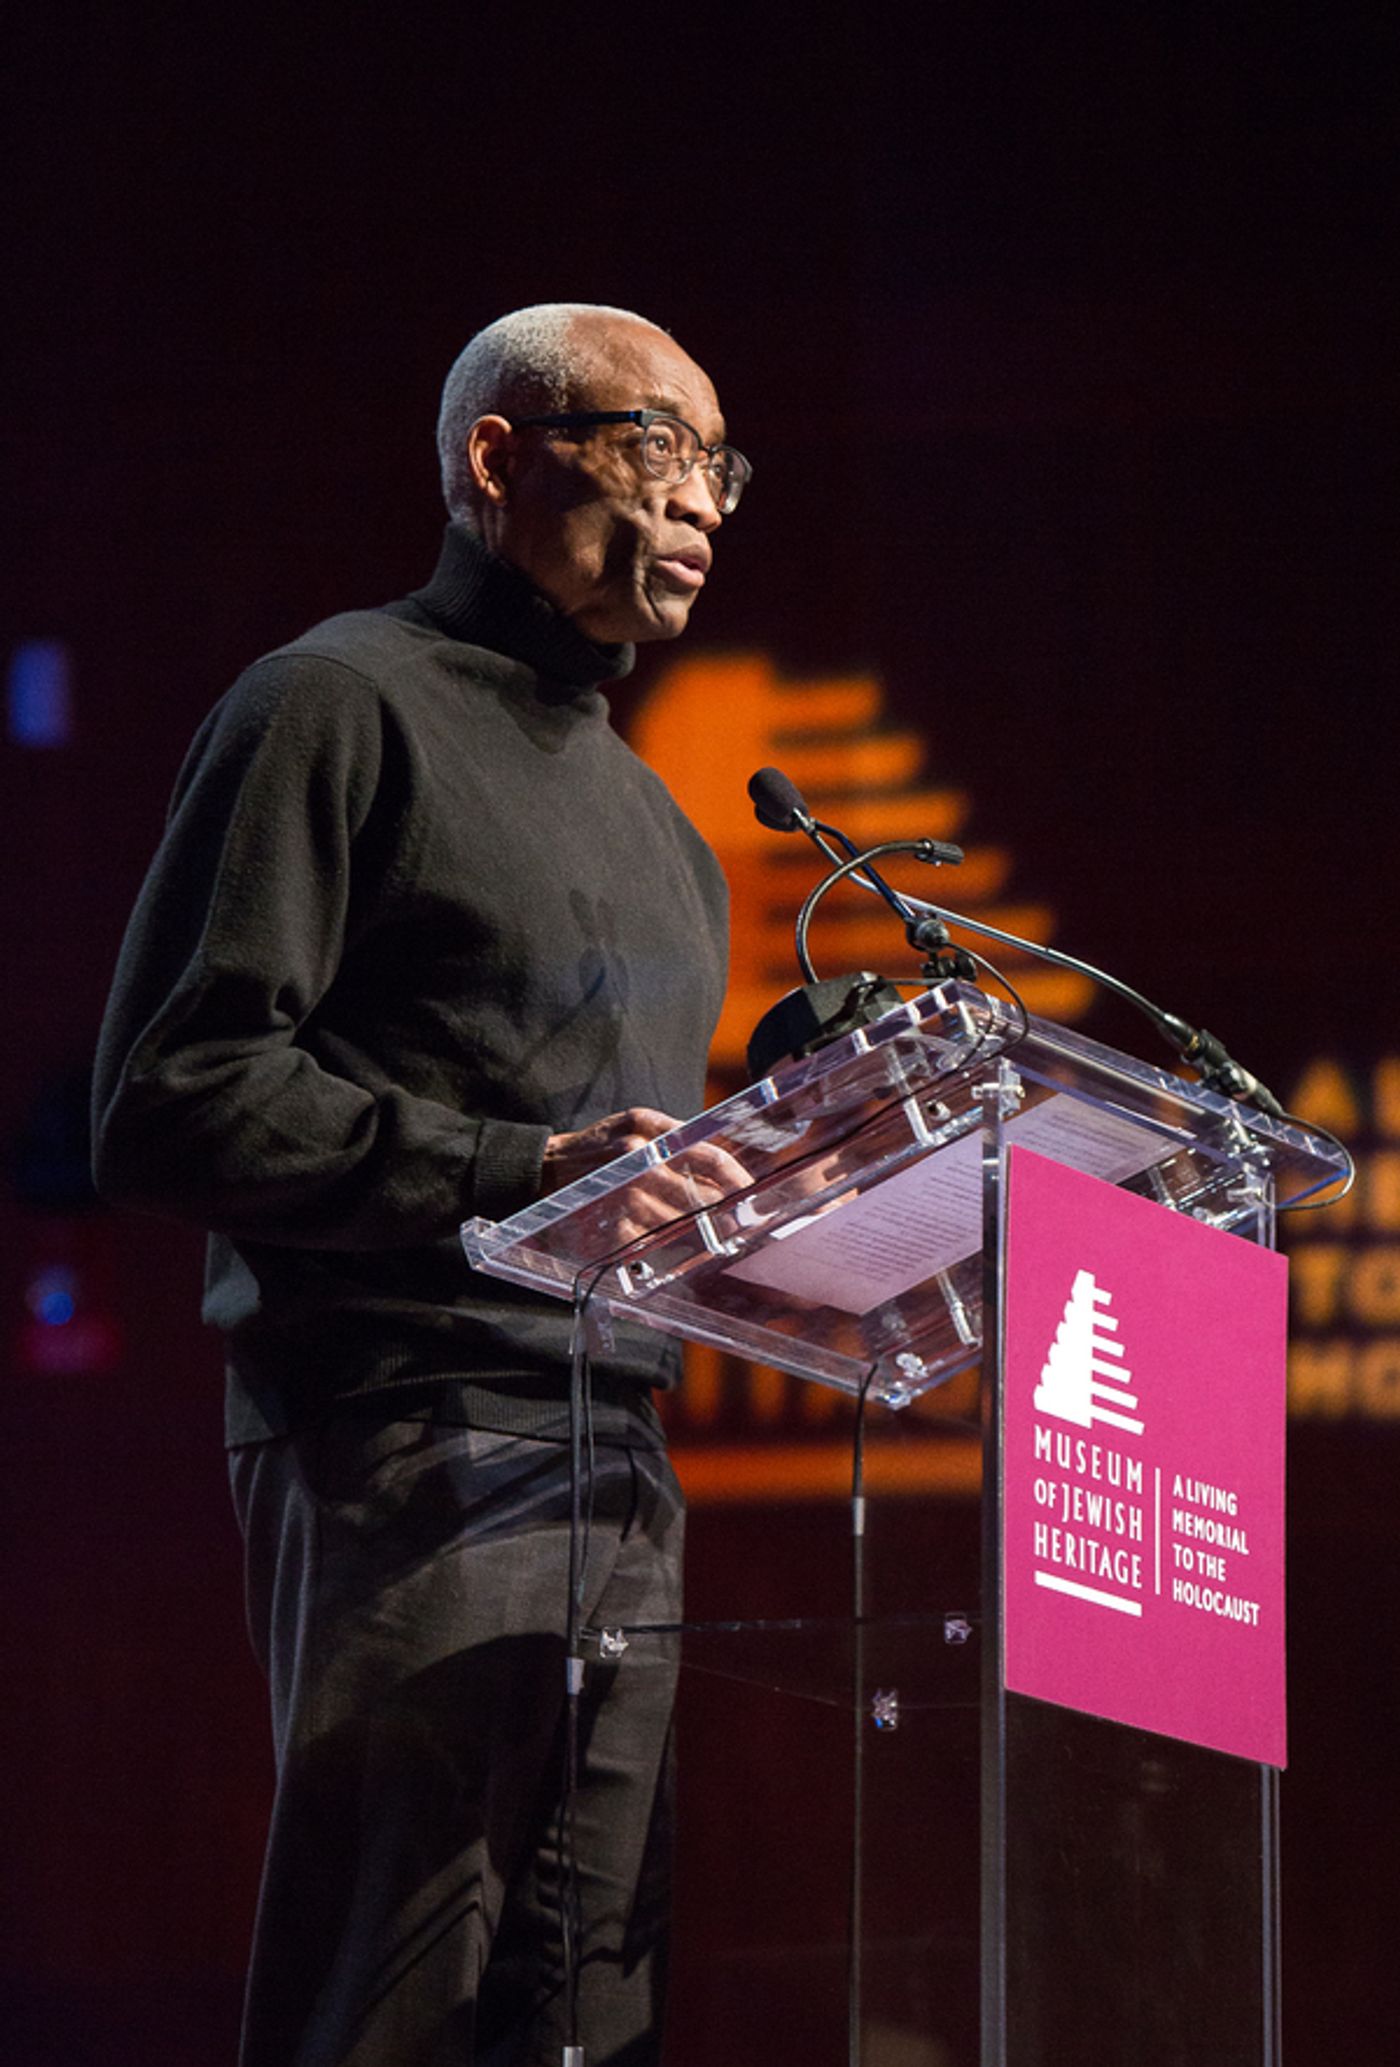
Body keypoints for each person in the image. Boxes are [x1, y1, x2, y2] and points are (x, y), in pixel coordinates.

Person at [92, 302, 749, 2066]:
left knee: (585, 2012)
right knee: (392, 1999)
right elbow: (171, 1097)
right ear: (497, 460)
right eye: (659, 446)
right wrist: (516, 1172)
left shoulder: (671, 837)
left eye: (721, 468)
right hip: (407, 1425)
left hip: (619, 1459)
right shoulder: (334, 704)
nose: (702, 501)